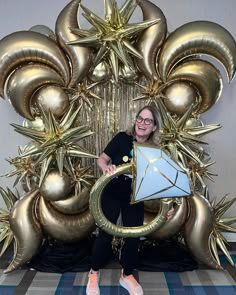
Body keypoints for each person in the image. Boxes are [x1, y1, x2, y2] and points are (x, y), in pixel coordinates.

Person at [86, 105, 171, 295]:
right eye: (140, 118)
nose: (142, 123)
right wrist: (105, 168)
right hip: (112, 191)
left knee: (133, 236)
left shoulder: (154, 150)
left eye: (148, 121)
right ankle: (94, 272)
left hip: (135, 196)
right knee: (105, 235)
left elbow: (156, 182)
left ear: (155, 127)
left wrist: (165, 207)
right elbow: (101, 159)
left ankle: (127, 274)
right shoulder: (121, 138)